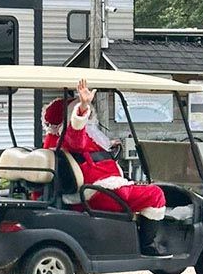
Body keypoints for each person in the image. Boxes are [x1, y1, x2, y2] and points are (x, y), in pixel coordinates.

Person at [41, 79, 168, 255]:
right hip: (101, 191)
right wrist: (83, 107)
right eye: (90, 116)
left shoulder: (53, 140)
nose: (92, 119)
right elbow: (76, 136)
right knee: (155, 194)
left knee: (140, 189)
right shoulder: (70, 135)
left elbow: (84, 145)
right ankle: (148, 246)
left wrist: (108, 147)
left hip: (85, 191)